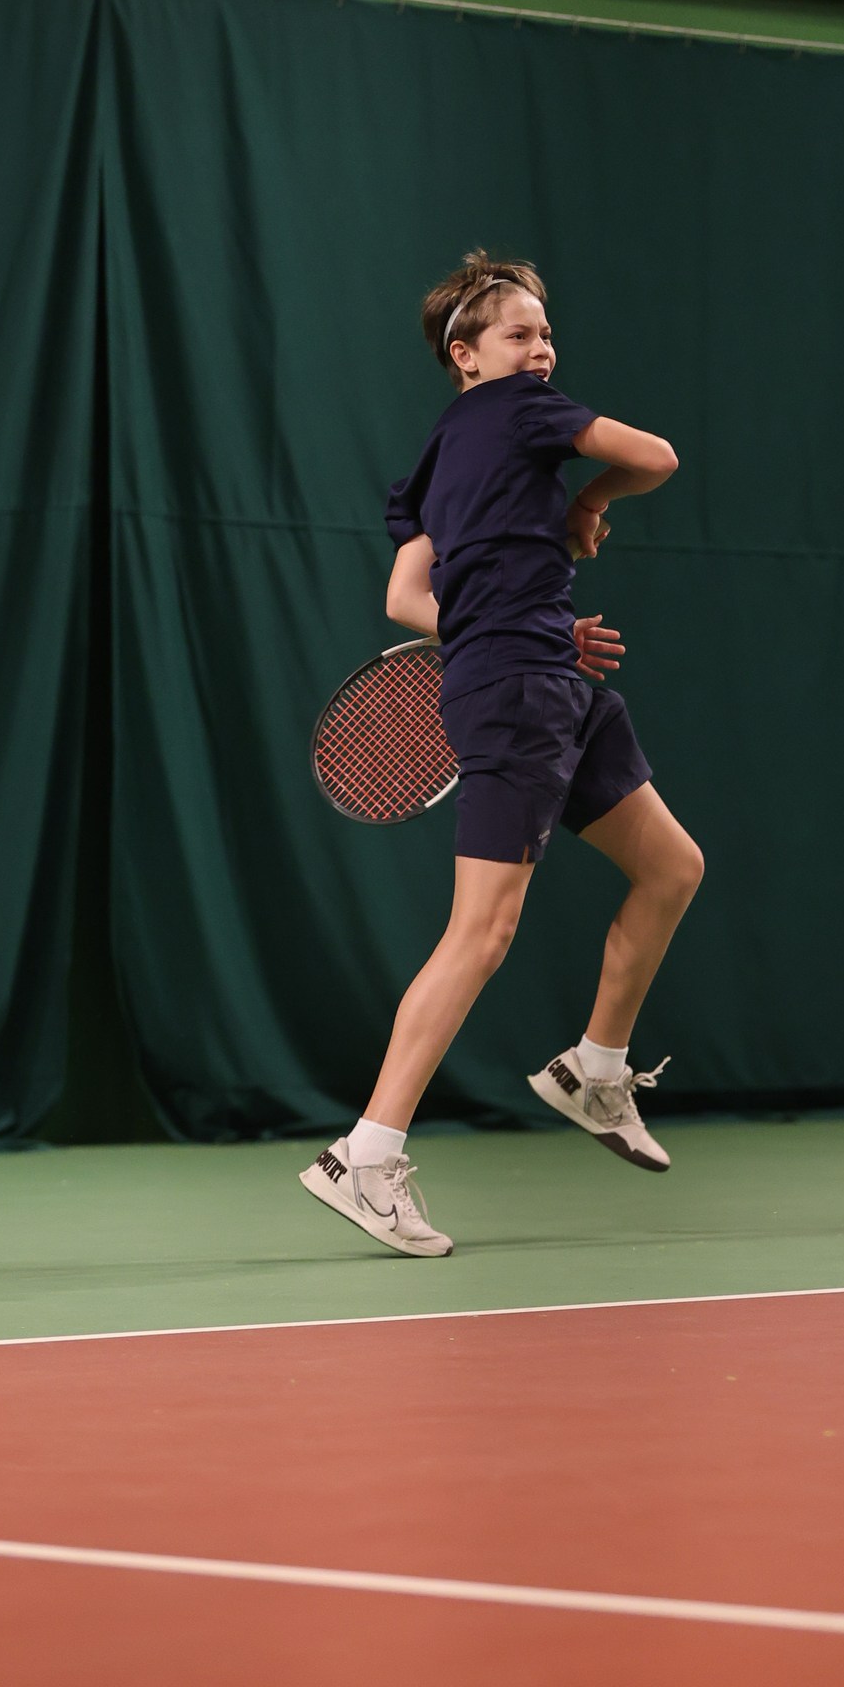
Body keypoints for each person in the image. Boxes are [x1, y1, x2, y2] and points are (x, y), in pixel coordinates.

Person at [300, 252, 704, 1256]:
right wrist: (590, 500)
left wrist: (524, 623)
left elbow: (406, 597)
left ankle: (595, 1070)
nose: (541, 350)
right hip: (517, 695)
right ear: (466, 356)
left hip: (548, 679)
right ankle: (365, 1153)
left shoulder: (436, 458)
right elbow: (657, 456)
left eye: (546, 335)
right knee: (481, 932)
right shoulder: (522, 408)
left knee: (670, 867)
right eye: (519, 335)